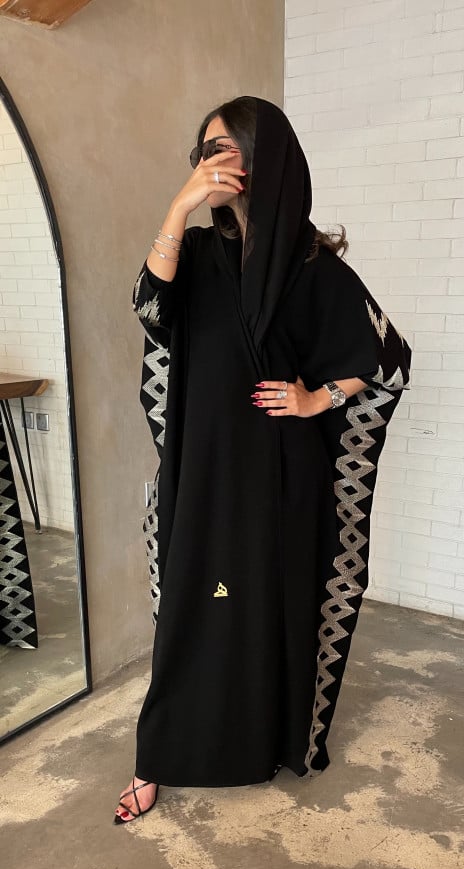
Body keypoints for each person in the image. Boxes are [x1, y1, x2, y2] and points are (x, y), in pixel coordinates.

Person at [114, 96, 411, 823]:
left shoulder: (313, 266)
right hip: (205, 470)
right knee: (191, 610)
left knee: (271, 609)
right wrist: (179, 208)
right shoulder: (198, 254)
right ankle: (158, 756)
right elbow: (150, 307)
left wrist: (316, 400)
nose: (207, 161)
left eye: (221, 147)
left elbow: (386, 354)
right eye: (201, 150)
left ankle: (271, 743)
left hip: (282, 474)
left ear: (263, 156)